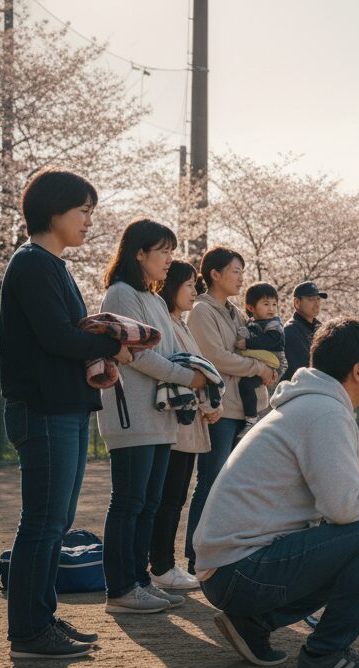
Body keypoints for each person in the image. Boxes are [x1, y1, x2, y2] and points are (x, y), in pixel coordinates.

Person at [193, 319, 359, 668]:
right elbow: (341, 505)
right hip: (239, 571)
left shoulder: (313, 406)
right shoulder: (325, 413)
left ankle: (252, 623)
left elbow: (339, 486)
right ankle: (325, 653)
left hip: (228, 570)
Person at [0, 169, 132, 658]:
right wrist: (110, 345)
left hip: (63, 406)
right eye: (83, 210)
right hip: (44, 410)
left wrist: (100, 356)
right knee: (43, 522)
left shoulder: (50, 264)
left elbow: (65, 339)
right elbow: (58, 337)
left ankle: (41, 619)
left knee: (53, 521)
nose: (89, 220)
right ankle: (29, 634)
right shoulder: (32, 263)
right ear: (53, 210)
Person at [97, 220, 208, 614]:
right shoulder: (120, 294)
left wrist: (194, 377)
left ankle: (140, 580)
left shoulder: (155, 299)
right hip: (130, 415)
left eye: (171, 252)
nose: (169, 260)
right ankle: (121, 589)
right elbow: (141, 355)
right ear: (138, 253)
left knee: (148, 503)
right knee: (128, 502)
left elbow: (172, 350)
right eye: (163, 251)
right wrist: (187, 378)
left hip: (159, 415)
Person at [184, 247, 277, 574]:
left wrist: (267, 363)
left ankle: (224, 550)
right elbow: (215, 357)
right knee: (210, 482)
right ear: (214, 274)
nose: (240, 277)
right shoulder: (201, 311)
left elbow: (249, 345)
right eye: (235, 271)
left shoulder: (234, 312)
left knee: (233, 484)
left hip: (243, 409)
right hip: (219, 407)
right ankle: (196, 556)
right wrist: (257, 367)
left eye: (241, 271)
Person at [149, 260, 222, 591]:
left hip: (191, 420)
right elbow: (178, 373)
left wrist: (207, 404)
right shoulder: (165, 322)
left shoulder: (180, 322)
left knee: (175, 495)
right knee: (169, 495)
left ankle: (164, 563)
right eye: (189, 285)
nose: (195, 290)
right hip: (176, 422)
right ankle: (160, 565)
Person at [235, 281, 287, 422]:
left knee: (249, 385)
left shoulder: (274, 324)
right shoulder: (252, 322)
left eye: (274, 304)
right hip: (263, 360)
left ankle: (251, 418)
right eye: (266, 304)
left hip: (275, 363)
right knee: (247, 384)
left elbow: (270, 341)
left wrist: (247, 343)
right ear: (251, 307)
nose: (271, 308)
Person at [281, 281, 326, 382]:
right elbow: (303, 369)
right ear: (297, 302)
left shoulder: (320, 328)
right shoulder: (291, 330)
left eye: (318, 299)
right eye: (311, 300)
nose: (317, 304)